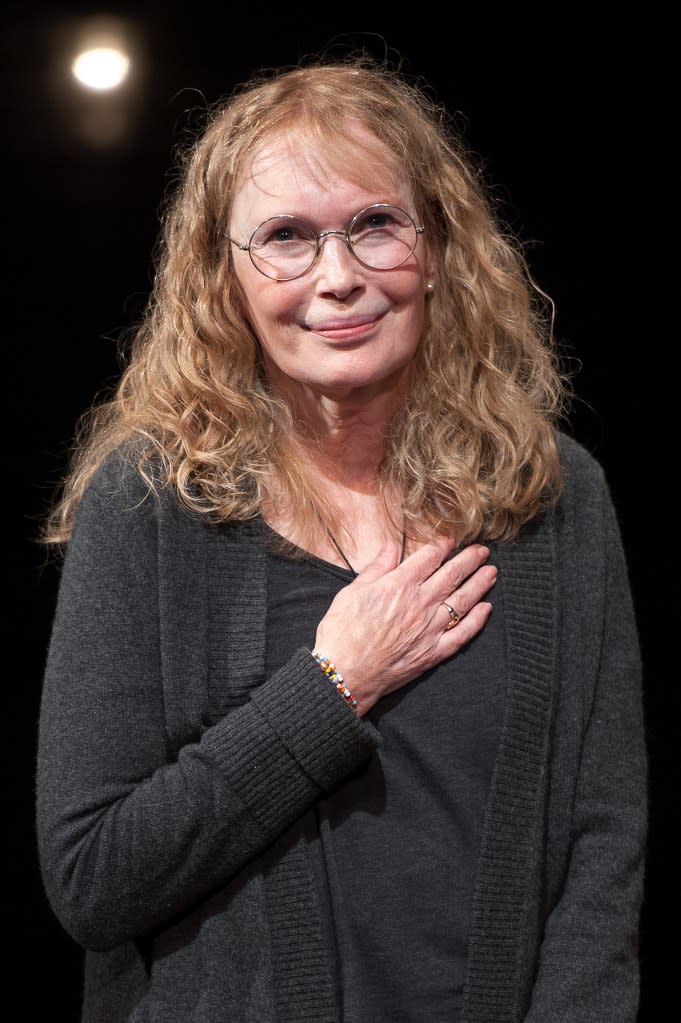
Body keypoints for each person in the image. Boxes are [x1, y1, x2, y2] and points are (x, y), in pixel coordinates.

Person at [36, 54, 647, 1022]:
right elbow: (94, 873)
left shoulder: (554, 497)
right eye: (285, 236)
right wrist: (332, 688)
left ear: (438, 247)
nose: (340, 277)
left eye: (375, 225)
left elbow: (602, 849)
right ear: (223, 278)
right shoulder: (149, 505)